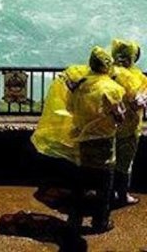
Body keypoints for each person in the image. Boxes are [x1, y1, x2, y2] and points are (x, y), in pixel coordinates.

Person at [32, 46, 125, 235]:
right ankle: (100, 222)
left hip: (82, 141)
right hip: (104, 142)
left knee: (80, 184)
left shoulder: (80, 85)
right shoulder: (112, 89)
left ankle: (75, 220)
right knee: (104, 185)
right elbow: (119, 116)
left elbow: (70, 108)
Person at [110, 39, 147, 207]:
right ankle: (123, 195)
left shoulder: (107, 72)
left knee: (109, 162)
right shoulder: (135, 77)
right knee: (125, 164)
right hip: (129, 127)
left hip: (108, 126)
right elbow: (138, 102)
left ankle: (108, 193)